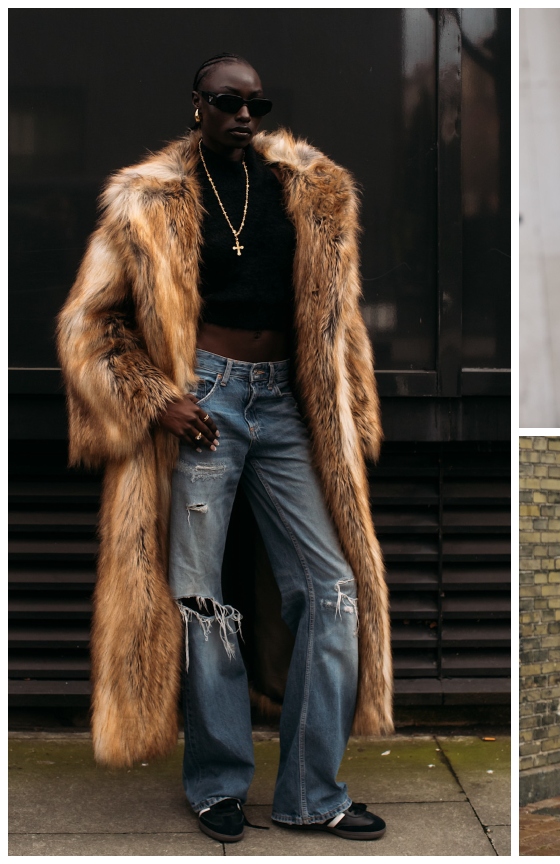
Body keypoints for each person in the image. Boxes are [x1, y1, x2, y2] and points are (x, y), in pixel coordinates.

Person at [56, 53, 392, 842]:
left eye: (256, 103)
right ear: (197, 105)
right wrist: (154, 397)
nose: (244, 114)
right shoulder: (148, 199)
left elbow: (340, 325)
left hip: (286, 405)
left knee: (333, 590)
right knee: (203, 604)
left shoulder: (311, 191)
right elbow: (89, 324)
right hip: (202, 400)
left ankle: (314, 793)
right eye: (227, 101)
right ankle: (216, 784)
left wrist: (343, 409)